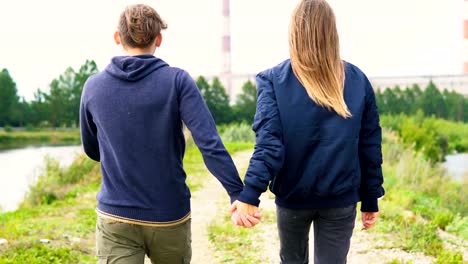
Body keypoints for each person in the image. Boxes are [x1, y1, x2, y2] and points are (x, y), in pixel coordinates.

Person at [79, 4, 258, 263]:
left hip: (115, 216)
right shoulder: (178, 81)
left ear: (117, 37)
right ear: (158, 39)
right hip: (169, 216)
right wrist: (236, 192)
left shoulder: (93, 86)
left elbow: (92, 149)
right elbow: (208, 143)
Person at [230, 0, 385, 263]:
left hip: (293, 198)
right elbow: (369, 146)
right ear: (331, 32)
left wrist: (250, 194)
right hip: (340, 200)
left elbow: (268, 145)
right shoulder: (357, 79)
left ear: (294, 33)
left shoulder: (273, 80)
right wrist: (370, 198)